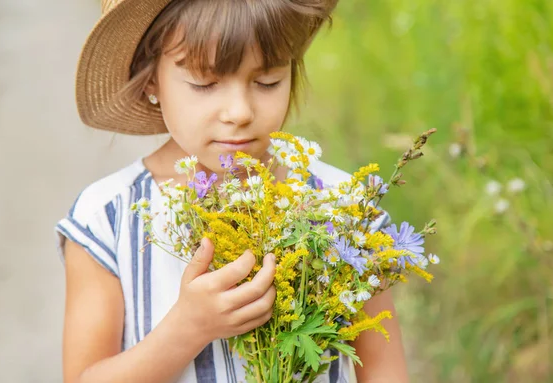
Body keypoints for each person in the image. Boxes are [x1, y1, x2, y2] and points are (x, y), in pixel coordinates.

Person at [55, 0, 409, 382]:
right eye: (205, 83)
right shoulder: (107, 219)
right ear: (152, 78)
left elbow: (383, 370)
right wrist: (187, 329)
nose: (239, 112)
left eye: (267, 81)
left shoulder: (344, 207)